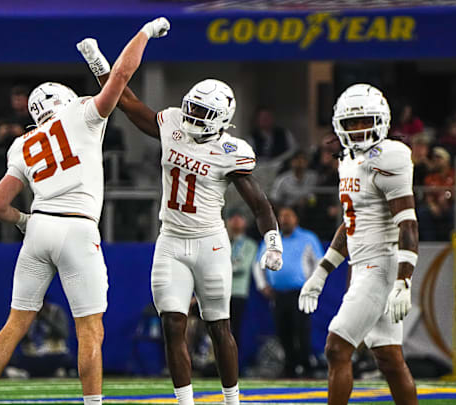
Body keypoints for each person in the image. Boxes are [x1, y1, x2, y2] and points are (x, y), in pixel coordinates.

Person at [0, 18, 170, 405]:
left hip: (40, 226)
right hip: (78, 228)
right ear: (65, 99)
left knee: (15, 323)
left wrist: (26, 221)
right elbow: (123, 77)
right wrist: (143, 34)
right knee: (90, 329)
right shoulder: (81, 116)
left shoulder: (21, 143)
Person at [78, 39, 283, 405]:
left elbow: (259, 201)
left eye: (201, 113)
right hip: (171, 241)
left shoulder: (230, 152)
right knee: (173, 324)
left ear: (221, 119)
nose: (191, 118)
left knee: (219, 326)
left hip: (211, 243)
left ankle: (232, 400)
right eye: (191, 108)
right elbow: (125, 101)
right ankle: (184, 402)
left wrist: (272, 239)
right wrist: (98, 62)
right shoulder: (172, 124)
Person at [298, 84, 419, 405]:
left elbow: (407, 223)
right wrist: (321, 273)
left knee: (336, 347)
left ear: (381, 121)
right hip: (363, 264)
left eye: (364, 121)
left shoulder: (390, 156)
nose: (358, 129)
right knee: (390, 360)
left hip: (382, 266)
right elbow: (352, 224)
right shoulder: (347, 161)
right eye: (351, 123)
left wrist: (403, 280)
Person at [254, 206, 323, 378]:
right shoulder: (272, 240)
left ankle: (306, 366)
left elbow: (319, 262)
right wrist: (263, 285)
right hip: (278, 294)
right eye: (281, 216)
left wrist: (313, 285)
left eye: (288, 216)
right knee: (283, 330)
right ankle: (290, 366)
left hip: (300, 293)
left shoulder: (308, 238)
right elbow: (257, 264)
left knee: (302, 330)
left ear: (296, 219)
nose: (284, 219)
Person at [225, 210, 257, 347]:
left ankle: (233, 366)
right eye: (232, 218)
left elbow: (242, 267)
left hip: (237, 292)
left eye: (239, 218)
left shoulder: (250, 244)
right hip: (220, 292)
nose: (235, 221)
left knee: (234, 330)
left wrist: (222, 267)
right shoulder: (224, 242)